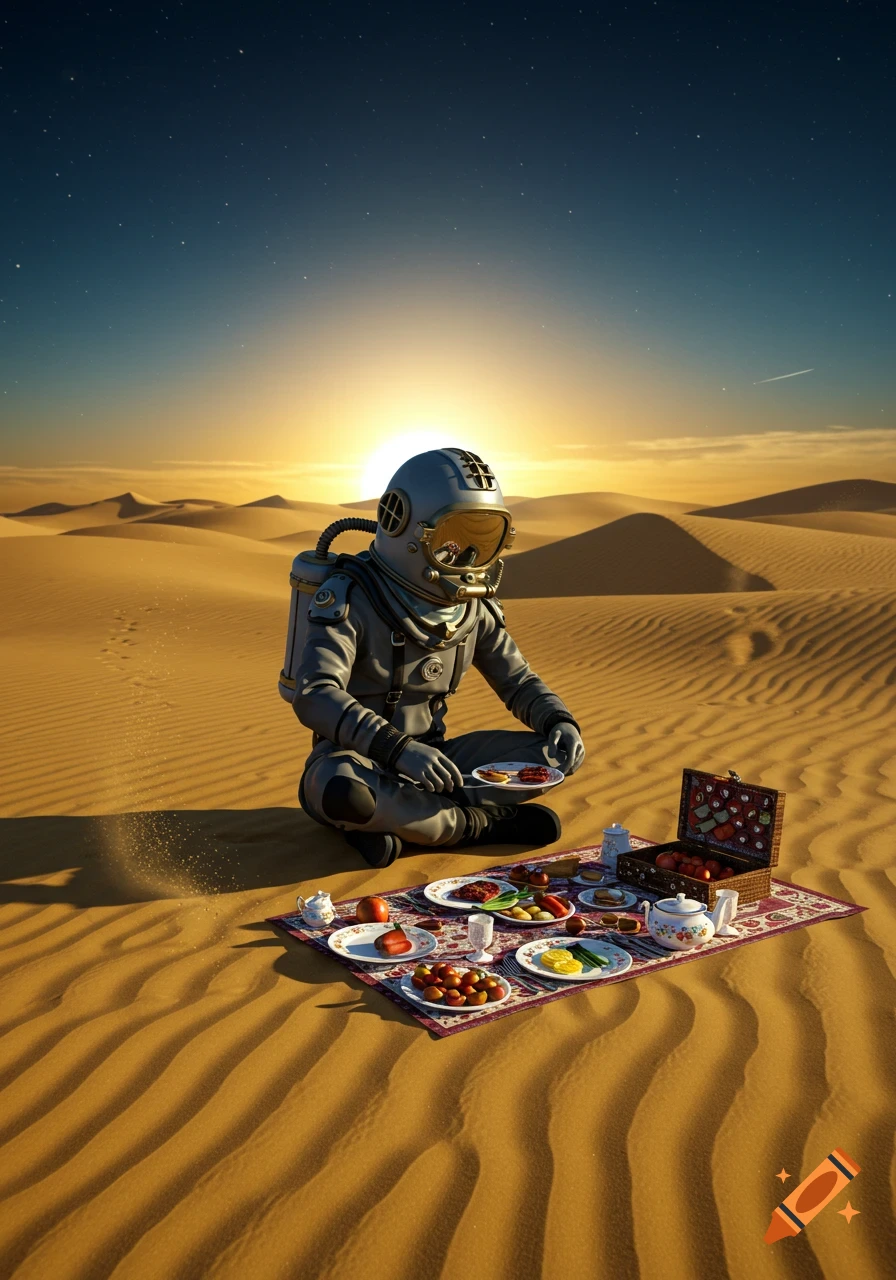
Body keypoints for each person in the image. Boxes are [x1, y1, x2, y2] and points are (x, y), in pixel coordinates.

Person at [293, 447, 585, 867]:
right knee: (343, 791)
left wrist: (556, 719)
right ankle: (482, 826)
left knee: (554, 757)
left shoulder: (472, 607)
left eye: (481, 540)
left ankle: (400, 825)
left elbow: (517, 680)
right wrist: (398, 750)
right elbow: (315, 694)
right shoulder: (351, 596)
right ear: (405, 527)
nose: (465, 557)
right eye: (453, 539)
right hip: (359, 761)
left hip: (440, 762)